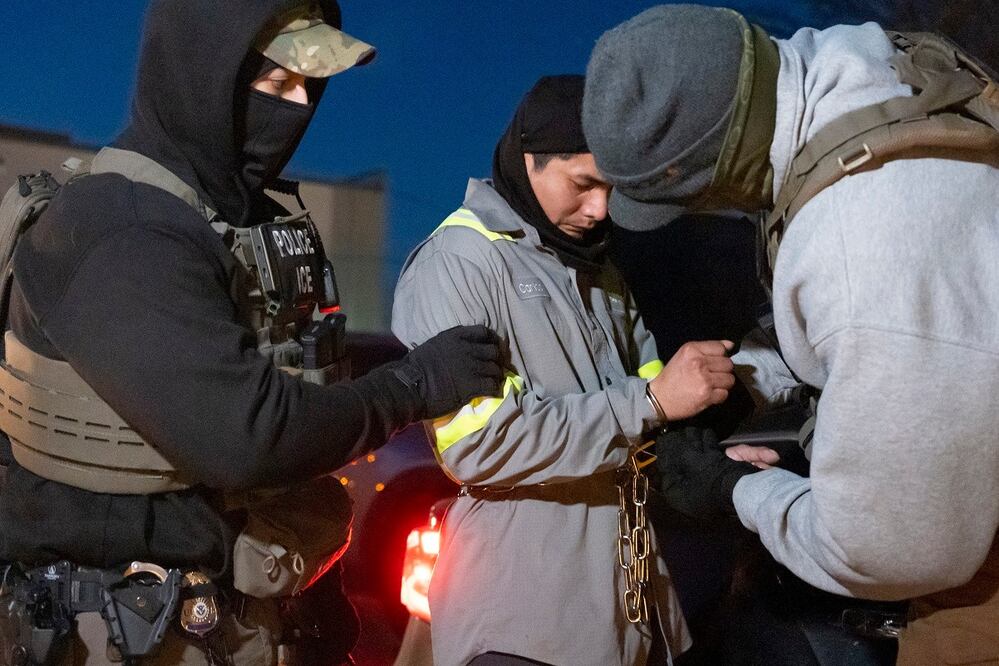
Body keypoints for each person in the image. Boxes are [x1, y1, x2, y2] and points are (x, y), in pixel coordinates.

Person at [0, 1, 503, 664]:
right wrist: (416, 382)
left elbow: (295, 411)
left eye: (309, 87)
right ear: (198, 74)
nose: (297, 107)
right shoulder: (119, 227)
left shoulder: (237, 218)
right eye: (273, 83)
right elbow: (249, 438)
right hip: (127, 632)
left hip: (243, 613)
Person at [582, 5, 999, 663]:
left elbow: (891, 550)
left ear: (717, 157)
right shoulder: (872, 75)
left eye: (691, 192)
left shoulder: (858, 244)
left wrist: (735, 490)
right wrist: (746, 383)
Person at [391, 74, 747, 666]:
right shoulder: (459, 261)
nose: (600, 208)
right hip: (522, 626)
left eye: (612, 190)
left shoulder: (595, 266)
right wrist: (652, 401)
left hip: (635, 617)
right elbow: (480, 444)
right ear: (531, 160)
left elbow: (649, 411)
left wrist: (700, 456)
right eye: (583, 184)